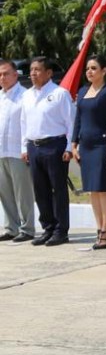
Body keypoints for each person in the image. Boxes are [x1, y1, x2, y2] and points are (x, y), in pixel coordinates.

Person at [20, 57, 75, 246]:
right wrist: (23, 147)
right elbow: (23, 123)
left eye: (37, 70)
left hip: (55, 146)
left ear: (49, 73)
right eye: (31, 70)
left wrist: (69, 147)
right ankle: (48, 228)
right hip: (34, 147)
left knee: (58, 190)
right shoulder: (27, 95)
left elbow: (71, 122)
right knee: (40, 189)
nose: (33, 73)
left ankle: (61, 230)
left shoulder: (60, 93)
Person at [71, 55, 106, 250]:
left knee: (104, 188)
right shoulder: (83, 91)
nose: (89, 72)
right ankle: (99, 227)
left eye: (94, 68)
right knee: (92, 189)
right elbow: (78, 118)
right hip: (86, 146)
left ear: (104, 70)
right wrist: (74, 143)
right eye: (87, 68)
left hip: (103, 145)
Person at [0, 59, 35, 243]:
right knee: (5, 192)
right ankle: (11, 228)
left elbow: (29, 123)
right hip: (1, 151)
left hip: (17, 151)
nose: (2, 78)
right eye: (0, 74)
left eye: (6, 73)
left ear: (16, 75)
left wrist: (26, 147)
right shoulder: (0, 96)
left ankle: (27, 228)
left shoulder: (25, 96)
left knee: (23, 192)